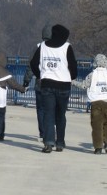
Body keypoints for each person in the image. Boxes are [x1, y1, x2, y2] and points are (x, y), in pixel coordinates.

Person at [29, 24, 78, 153]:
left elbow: (33, 63)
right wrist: (71, 76)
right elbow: (73, 66)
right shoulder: (67, 47)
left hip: (47, 84)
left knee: (48, 114)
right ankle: (60, 142)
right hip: (63, 85)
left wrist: (40, 75)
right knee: (60, 114)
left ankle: (48, 142)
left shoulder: (43, 46)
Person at [73, 54, 107, 154]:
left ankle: (98, 147)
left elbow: (83, 85)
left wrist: (72, 82)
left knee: (97, 125)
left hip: (95, 103)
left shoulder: (92, 75)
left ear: (95, 63)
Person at [23, 24, 52, 143]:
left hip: (40, 82)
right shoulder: (57, 48)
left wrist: (26, 81)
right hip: (53, 83)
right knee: (50, 109)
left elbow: (31, 66)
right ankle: (51, 131)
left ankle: (42, 132)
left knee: (40, 109)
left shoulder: (38, 47)